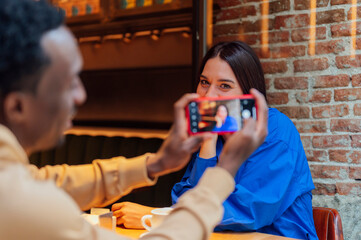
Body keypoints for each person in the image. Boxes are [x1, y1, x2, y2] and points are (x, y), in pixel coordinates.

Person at [0, 1, 268, 240]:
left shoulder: (275, 134)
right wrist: (224, 171)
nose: (81, 95)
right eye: (68, 83)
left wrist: (156, 163)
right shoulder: (22, 204)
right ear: (17, 106)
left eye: (224, 85)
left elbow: (48, 181)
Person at [112, 41, 318, 240]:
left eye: (224, 86)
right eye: (204, 82)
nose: (209, 95)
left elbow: (248, 213)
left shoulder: (275, 130)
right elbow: (187, 196)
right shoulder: (217, 131)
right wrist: (207, 144)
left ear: (248, 93)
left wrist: (155, 217)